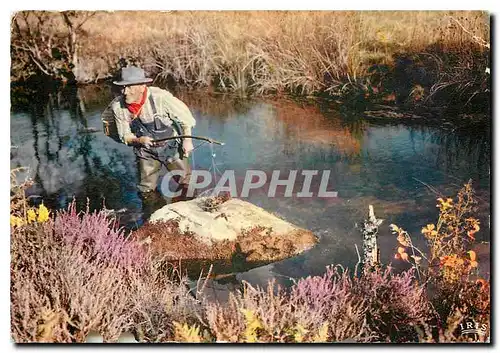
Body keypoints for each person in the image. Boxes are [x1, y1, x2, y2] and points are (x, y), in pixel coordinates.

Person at [101, 66, 196, 217]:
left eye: (129, 87)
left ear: (142, 86)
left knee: (186, 182)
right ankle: (154, 217)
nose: (125, 92)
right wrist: (139, 140)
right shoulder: (118, 107)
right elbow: (124, 135)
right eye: (122, 87)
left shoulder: (161, 98)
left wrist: (187, 141)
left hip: (171, 148)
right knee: (145, 190)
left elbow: (185, 119)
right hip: (145, 152)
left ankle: (188, 213)